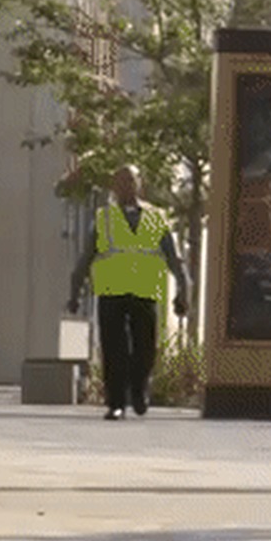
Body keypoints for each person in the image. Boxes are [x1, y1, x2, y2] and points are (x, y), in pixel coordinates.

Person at [67, 165, 189, 420]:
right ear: (113, 187)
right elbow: (86, 257)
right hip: (112, 292)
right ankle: (116, 403)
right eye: (120, 181)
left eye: (131, 180)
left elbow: (174, 257)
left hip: (145, 292)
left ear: (140, 184)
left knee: (145, 348)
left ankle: (139, 389)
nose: (126, 186)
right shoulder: (104, 218)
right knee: (114, 349)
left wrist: (183, 289)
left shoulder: (157, 217)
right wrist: (75, 292)